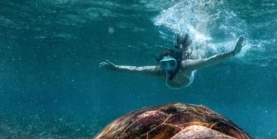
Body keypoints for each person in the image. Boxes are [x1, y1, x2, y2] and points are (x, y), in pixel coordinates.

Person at [99, 34, 244, 89]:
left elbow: (210, 61)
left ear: (176, 62)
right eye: (164, 64)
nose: (167, 68)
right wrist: (116, 67)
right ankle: (191, 44)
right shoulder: (159, 72)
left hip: (189, 60)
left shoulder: (186, 66)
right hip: (184, 64)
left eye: (171, 63)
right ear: (160, 64)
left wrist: (233, 52)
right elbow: (136, 69)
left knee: (200, 53)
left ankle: (201, 40)